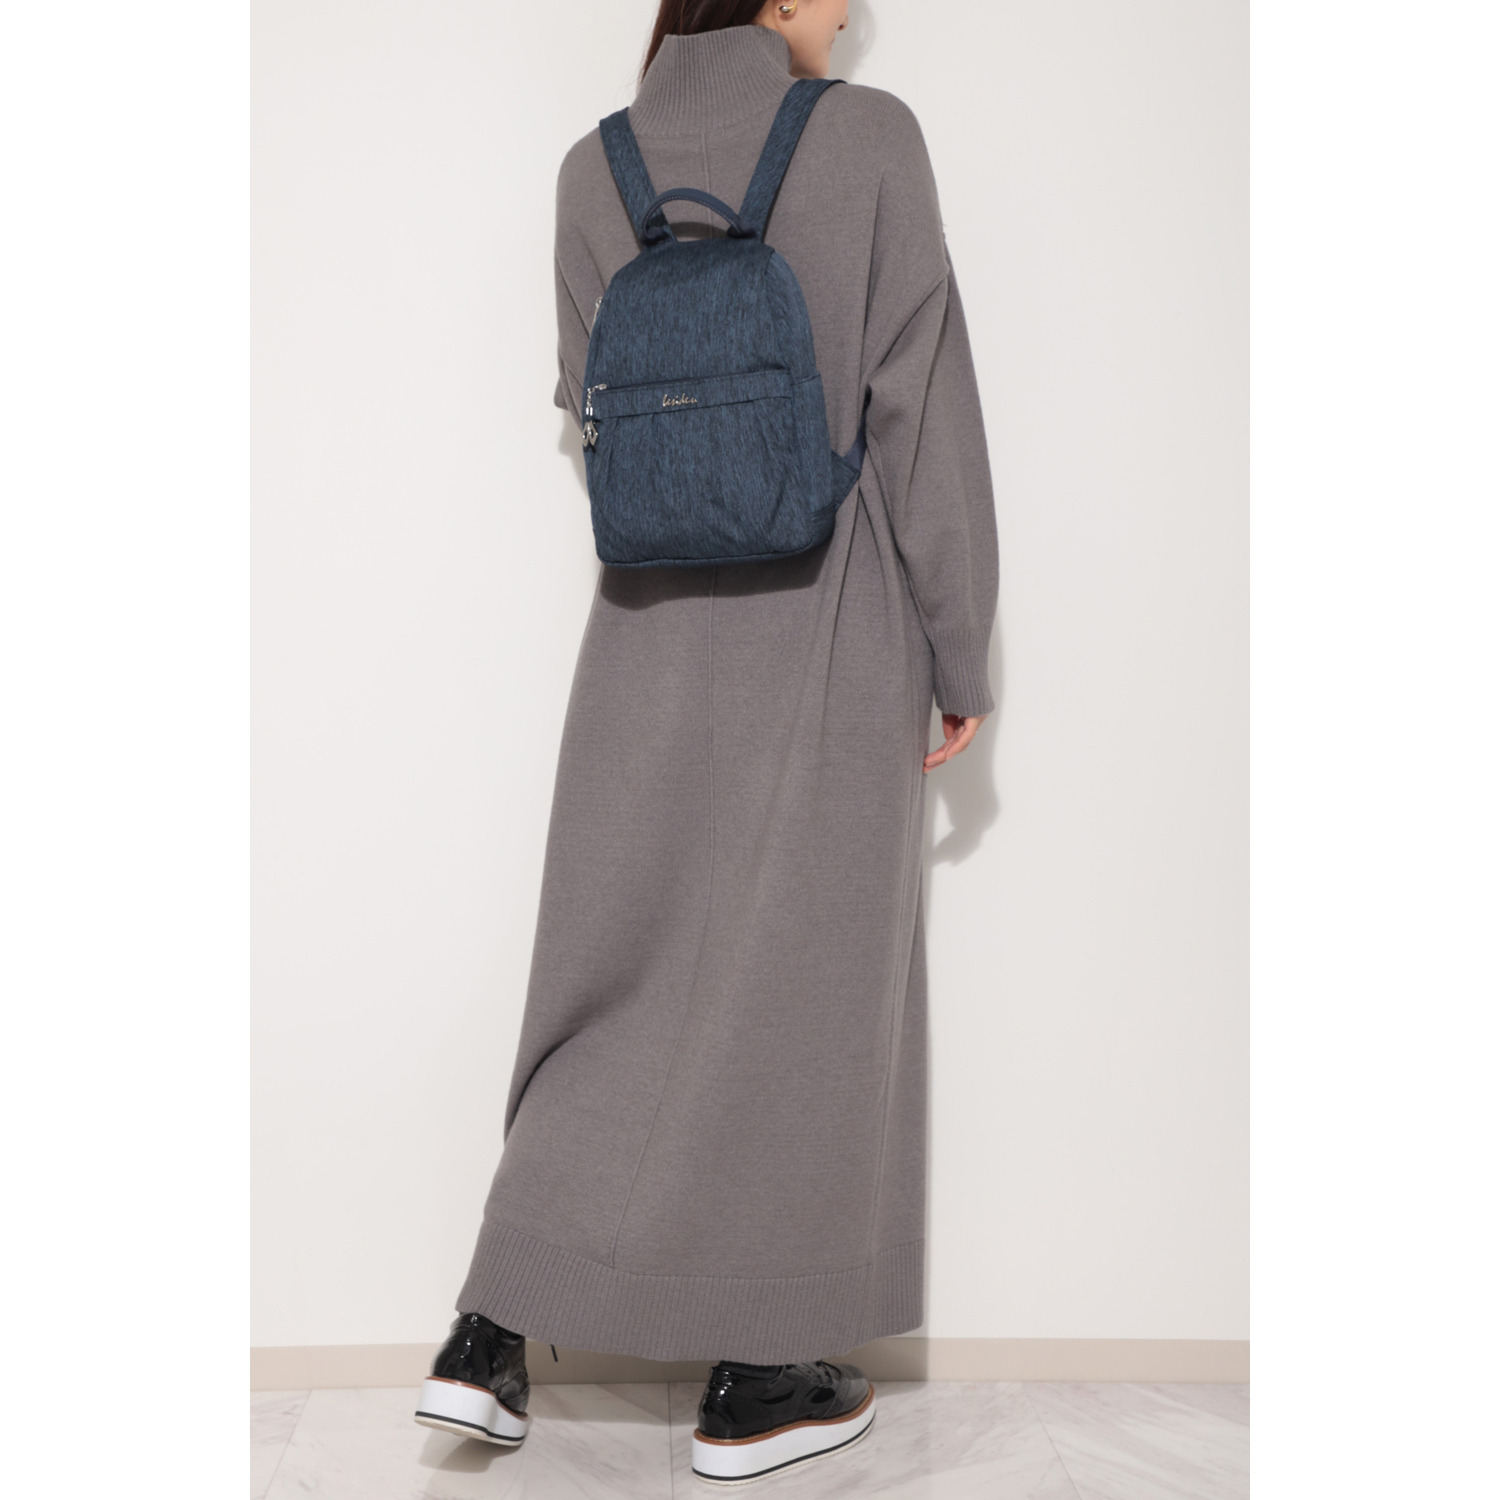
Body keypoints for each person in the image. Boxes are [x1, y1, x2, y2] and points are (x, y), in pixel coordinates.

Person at [414, 0, 998, 1484]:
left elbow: (593, 405)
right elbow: (920, 408)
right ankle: (765, 1373)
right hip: (833, 610)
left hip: (645, 627)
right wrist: (960, 647)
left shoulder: (593, 168)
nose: (857, 10)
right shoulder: (870, 141)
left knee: (613, 972)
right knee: (810, 986)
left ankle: (491, 1329)